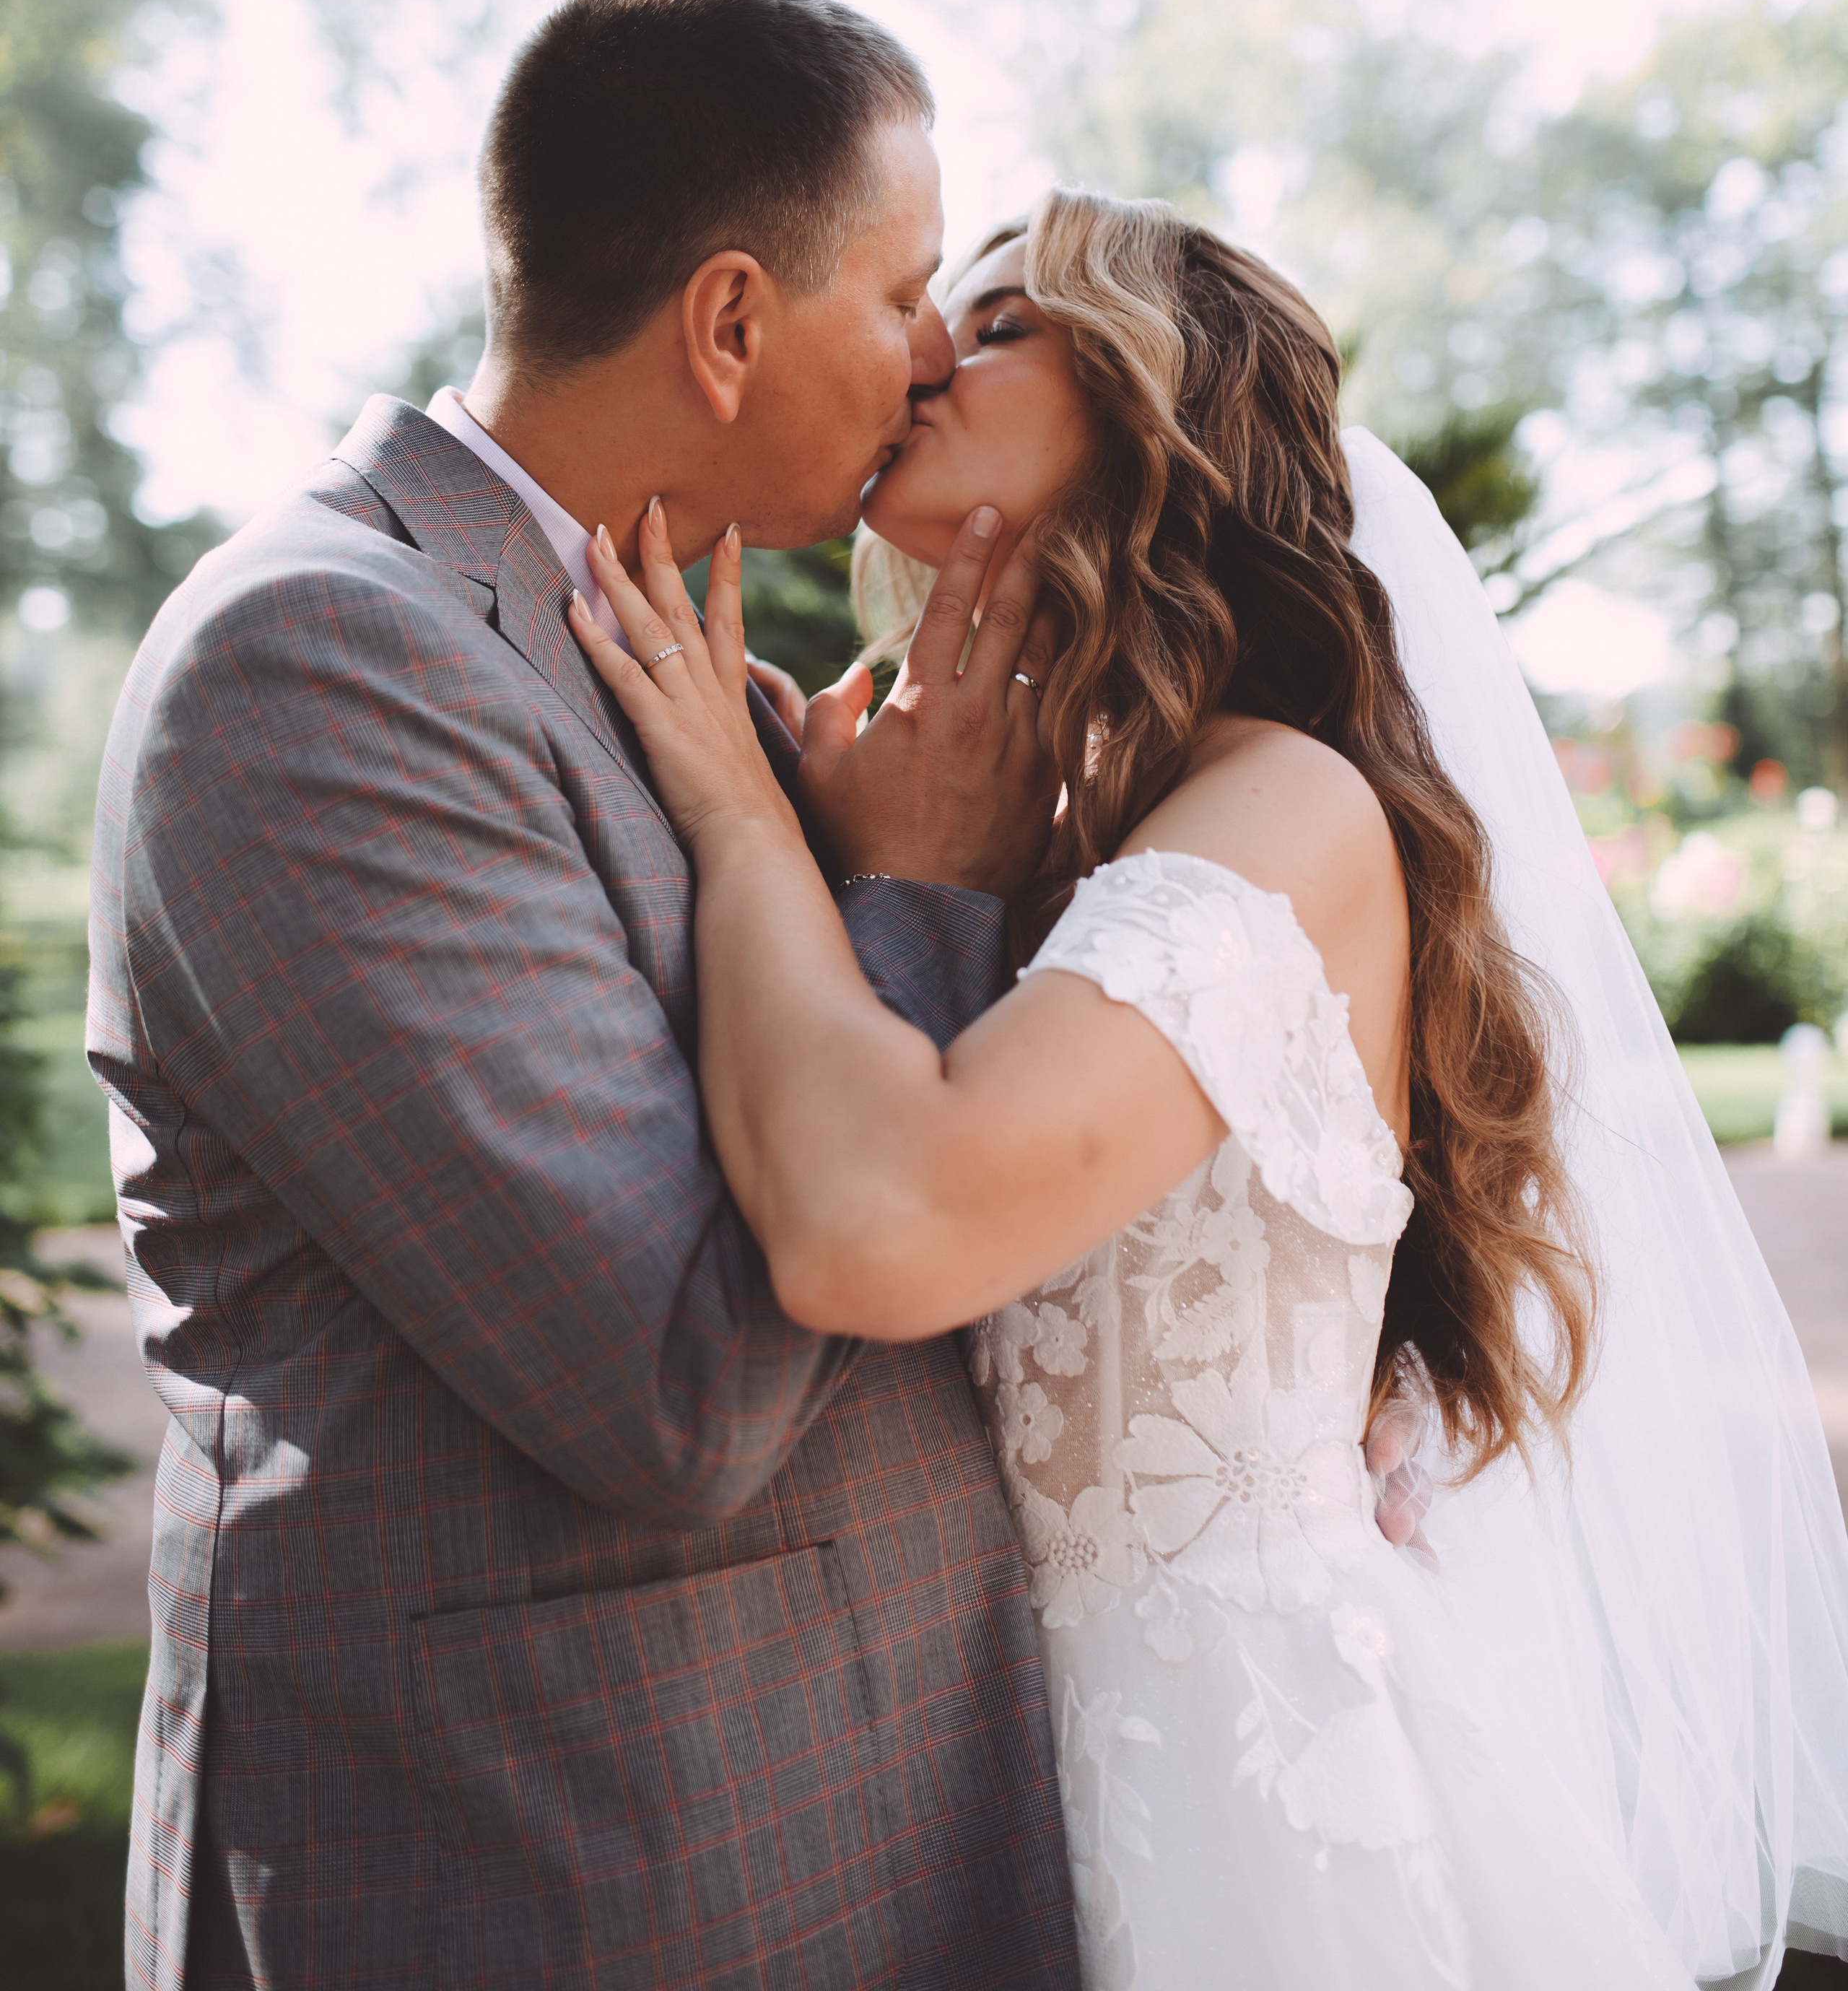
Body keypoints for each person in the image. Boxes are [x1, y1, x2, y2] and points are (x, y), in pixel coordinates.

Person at [572, 186, 1848, 1990]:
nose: (928, 352)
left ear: (1159, 411)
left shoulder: (1284, 807)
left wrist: (735, 823)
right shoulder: (1060, 811)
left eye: (1004, 324)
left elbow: (886, 1221)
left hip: (1243, 1803)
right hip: (993, 1777)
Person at [87, 0, 1086, 1991]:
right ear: (729, 320)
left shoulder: (691, 661)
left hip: (883, 1810)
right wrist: (916, 889)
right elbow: (676, 1388)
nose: (926, 355)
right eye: (900, 291)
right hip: (570, 1868)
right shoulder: (314, 665)